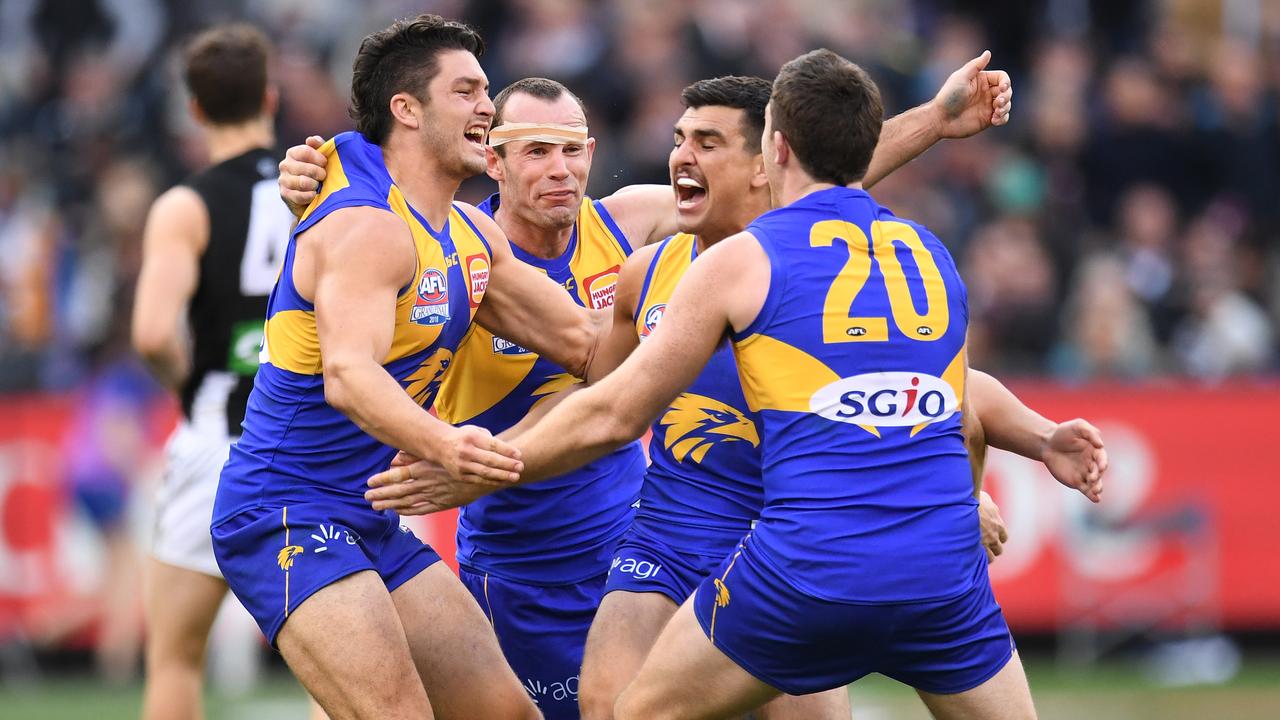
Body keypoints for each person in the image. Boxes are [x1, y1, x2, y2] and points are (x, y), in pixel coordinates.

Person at [277, 51, 1014, 719]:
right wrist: (322, 187)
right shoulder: (457, 247)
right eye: (534, 151)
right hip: (519, 560)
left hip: (634, 536)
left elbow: (789, 190)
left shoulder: (635, 228)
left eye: (572, 149)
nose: (559, 169)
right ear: (493, 163)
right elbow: (364, 263)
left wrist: (937, 121)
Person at [464, 50, 1104, 719]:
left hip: (777, 530)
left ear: (765, 163)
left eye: (707, 143)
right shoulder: (640, 265)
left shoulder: (743, 251)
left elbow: (938, 380)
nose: (682, 157)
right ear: (496, 161)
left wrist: (1008, 452)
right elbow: (604, 394)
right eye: (680, 140)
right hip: (658, 532)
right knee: (608, 705)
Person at [210, 15, 626, 720]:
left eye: (486, 91)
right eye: (466, 92)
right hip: (285, 509)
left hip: (368, 517)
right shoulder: (364, 225)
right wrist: (451, 448)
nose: (487, 108)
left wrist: (691, 315)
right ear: (407, 109)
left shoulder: (469, 234)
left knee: (507, 713)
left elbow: (591, 347)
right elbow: (348, 375)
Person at [131, 24, 295, 719]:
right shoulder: (323, 190)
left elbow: (149, 333)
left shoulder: (184, 206)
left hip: (218, 438)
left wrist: (185, 383)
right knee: (343, 663)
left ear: (193, 109)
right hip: (311, 439)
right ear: (271, 97)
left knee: (175, 657)